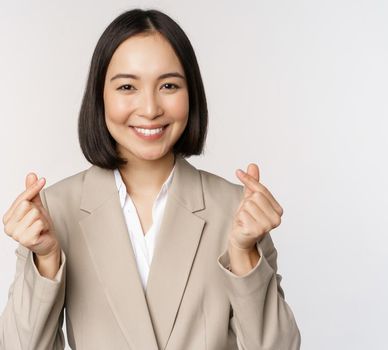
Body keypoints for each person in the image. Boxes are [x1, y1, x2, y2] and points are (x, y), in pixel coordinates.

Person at [0, 8, 300, 350]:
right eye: (127, 86)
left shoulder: (236, 209)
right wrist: (46, 259)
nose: (150, 107)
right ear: (100, 96)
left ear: (192, 94)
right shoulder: (55, 210)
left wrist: (244, 255)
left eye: (169, 85)